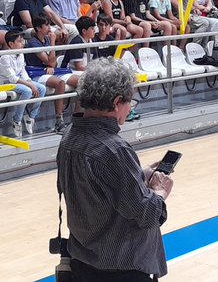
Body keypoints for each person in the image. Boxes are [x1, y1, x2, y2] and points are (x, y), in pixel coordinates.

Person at [56, 58, 172, 280]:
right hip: (120, 268)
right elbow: (147, 215)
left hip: (82, 261)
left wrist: (138, 175)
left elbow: (96, 188)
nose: (130, 109)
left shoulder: (69, 136)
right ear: (117, 102)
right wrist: (160, 192)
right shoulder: (114, 150)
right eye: (131, 102)